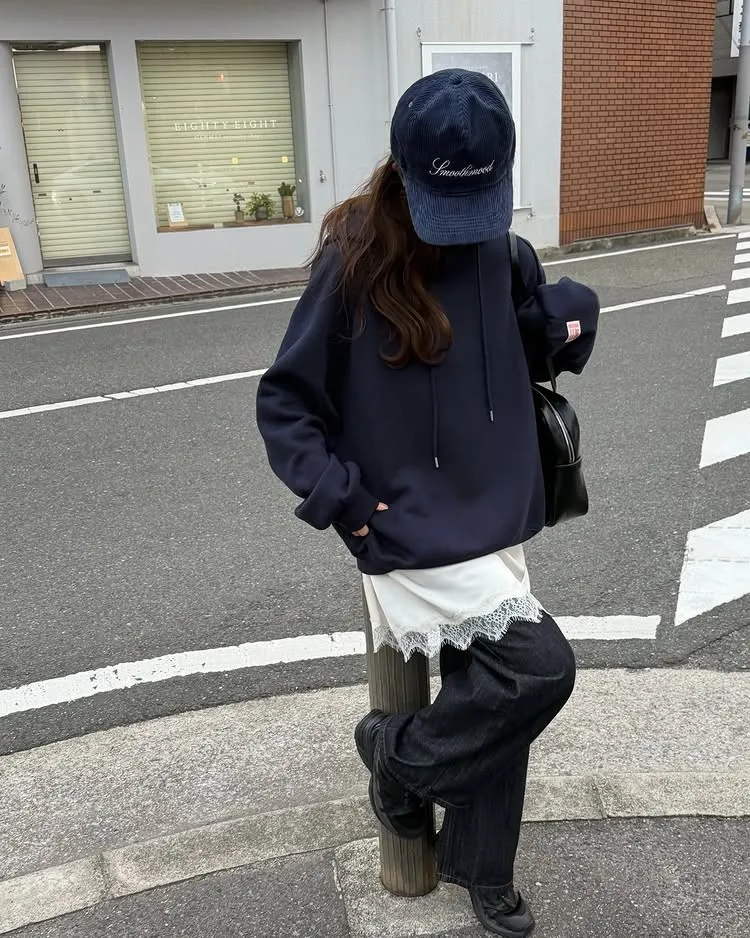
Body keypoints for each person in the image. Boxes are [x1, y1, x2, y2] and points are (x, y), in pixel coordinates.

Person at [257, 69, 599, 938]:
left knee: (494, 699)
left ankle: (484, 868)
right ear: (402, 171)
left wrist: (568, 318)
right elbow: (286, 404)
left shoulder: (500, 248)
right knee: (538, 671)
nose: (466, 227)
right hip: (406, 526)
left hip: (493, 514)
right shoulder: (354, 259)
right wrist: (347, 505)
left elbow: (527, 338)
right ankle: (396, 758)